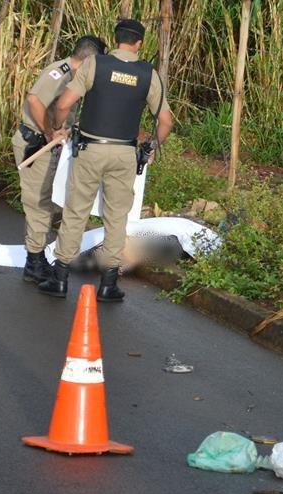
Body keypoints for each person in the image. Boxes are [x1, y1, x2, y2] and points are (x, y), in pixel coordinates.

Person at [38, 19, 174, 302]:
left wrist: (58, 128)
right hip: (124, 154)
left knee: (77, 210)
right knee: (116, 217)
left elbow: (64, 104)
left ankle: (60, 278)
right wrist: (151, 146)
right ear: (139, 43)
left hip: (91, 148)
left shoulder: (95, 65)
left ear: (115, 39)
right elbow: (165, 121)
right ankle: (108, 284)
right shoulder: (148, 74)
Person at [11, 35, 107, 283]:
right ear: (90, 60)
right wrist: (48, 131)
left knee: (47, 203)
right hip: (37, 144)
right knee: (38, 203)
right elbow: (34, 99)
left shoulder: (74, 77)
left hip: (51, 145)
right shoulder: (60, 73)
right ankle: (34, 261)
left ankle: (37, 255)